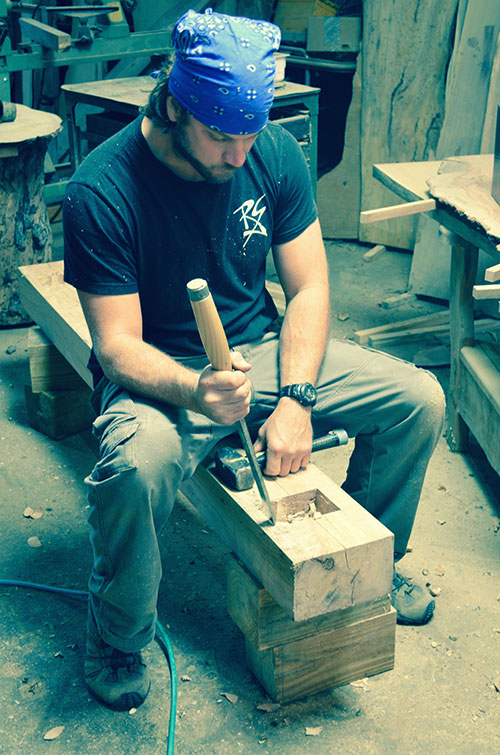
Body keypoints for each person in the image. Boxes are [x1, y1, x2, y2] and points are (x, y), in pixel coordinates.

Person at [63, 8, 446, 712]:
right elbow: (115, 346)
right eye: (220, 136)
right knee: (136, 465)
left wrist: (297, 396)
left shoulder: (268, 149)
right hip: (164, 374)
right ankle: (119, 634)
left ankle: (370, 568)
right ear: (173, 104)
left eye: (249, 134)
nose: (239, 154)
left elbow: (310, 286)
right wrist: (195, 390)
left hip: (265, 354)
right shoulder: (102, 190)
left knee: (418, 400)